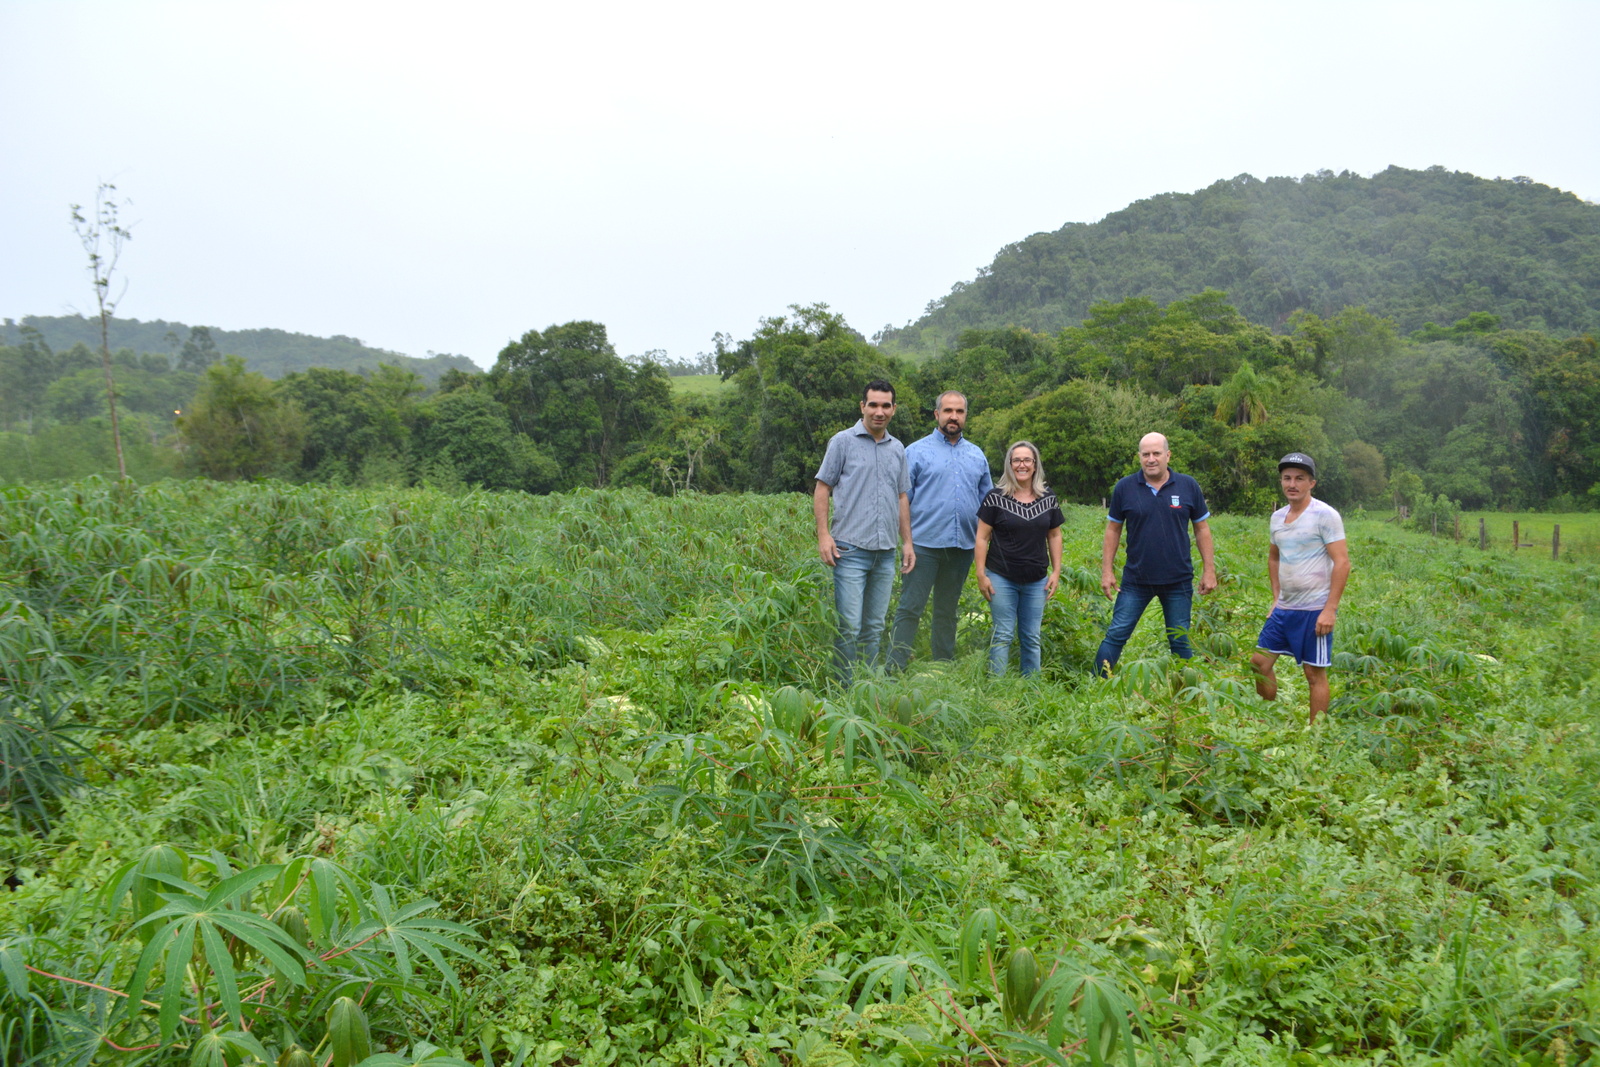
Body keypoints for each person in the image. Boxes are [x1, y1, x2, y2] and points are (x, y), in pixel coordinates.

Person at [814, 380, 915, 685]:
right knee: (849, 626)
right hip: (850, 550)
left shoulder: (897, 448)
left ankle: (867, 688)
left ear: (894, 409)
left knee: (874, 626)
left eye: (886, 406)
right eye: (873, 404)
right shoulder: (842, 442)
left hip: (885, 553)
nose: (879, 411)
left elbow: (901, 496)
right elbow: (822, 488)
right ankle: (844, 691)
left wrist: (907, 542)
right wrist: (823, 535)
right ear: (862, 407)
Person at [1095, 432, 1217, 675]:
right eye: (1145, 454)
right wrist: (1107, 571)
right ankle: (1094, 682)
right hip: (1136, 580)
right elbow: (1113, 530)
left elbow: (1202, 529)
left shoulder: (1188, 485)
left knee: (1180, 640)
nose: (1151, 459)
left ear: (1168, 455)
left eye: (1156, 453)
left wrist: (1209, 570)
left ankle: (1186, 689)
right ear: (1139, 457)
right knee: (1117, 634)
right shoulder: (1125, 487)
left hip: (1178, 579)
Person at [888, 390, 993, 672]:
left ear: (965, 416)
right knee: (910, 607)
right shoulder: (916, 452)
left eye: (959, 412)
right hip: (923, 545)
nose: (953, 417)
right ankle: (894, 668)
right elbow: (902, 501)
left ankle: (942, 668)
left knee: (947, 611)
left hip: (961, 548)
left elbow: (989, 504)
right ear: (937, 414)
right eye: (948, 411)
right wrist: (906, 543)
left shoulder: (976, 455)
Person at [1250, 452, 1350, 725]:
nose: (1292, 484)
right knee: (1259, 663)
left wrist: (1330, 610)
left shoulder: (1325, 515)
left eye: (1299, 478)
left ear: (1311, 483)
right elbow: (1273, 556)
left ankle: (1316, 733)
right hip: (1284, 609)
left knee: (1313, 674)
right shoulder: (1277, 518)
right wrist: (1275, 596)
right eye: (1287, 478)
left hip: (1314, 609)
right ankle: (1267, 719)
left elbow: (1342, 563)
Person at [974, 441, 1063, 677]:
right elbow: (982, 538)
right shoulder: (995, 498)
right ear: (1009, 465)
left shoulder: (1048, 497)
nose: (1021, 465)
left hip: (1036, 580)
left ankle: (1031, 691)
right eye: (1016, 460)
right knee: (1002, 634)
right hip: (1001, 576)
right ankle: (998, 688)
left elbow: (1054, 534)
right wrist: (981, 574)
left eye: (1027, 460)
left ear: (1035, 465)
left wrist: (1056, 572)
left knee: (1031, 637)